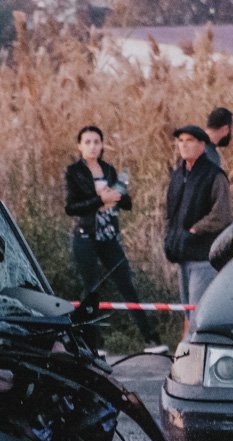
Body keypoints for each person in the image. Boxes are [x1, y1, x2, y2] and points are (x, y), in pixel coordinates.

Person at [64, 125, 167, 354]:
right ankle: (94, 343)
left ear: (102, 145)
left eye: (97, 142)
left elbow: (127, 202)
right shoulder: (74, 172)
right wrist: (99, 200)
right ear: (79, 146)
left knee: (127, 285)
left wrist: (118, 196)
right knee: (91, 290)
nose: (92, 146)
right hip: (86, 236)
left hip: (109, 236)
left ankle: (152, 339)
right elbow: (71, 207)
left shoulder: (109, 170)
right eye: (88, 142)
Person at [164, 124, 233, 334]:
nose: (183, 145)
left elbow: (222, 215)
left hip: (203, 255)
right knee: (188, 311)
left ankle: (193, 359)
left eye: (189, 141)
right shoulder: (178, 175)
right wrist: (171, 237)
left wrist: (196, 230)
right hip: (181, 253)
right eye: (180, 141)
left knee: (197, 311)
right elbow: (170, 213)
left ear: (202, 144)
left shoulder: (214, 175)